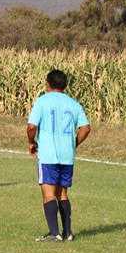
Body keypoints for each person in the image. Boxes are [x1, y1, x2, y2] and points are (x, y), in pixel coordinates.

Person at [27, 69, 90, 242]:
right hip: (67, 155)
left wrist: (31, 141)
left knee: (48, 192)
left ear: (47, 84)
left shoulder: (42, 101)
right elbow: (86, 128)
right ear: (65, 86)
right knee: (62, 193)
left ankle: (54, 233)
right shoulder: (74, 104)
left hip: (48, 154)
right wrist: (74, 143)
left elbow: (31, 126)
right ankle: (67, 232)